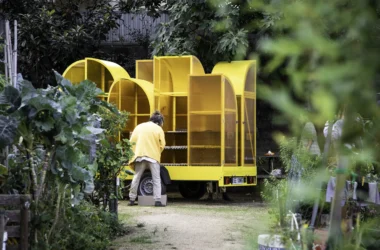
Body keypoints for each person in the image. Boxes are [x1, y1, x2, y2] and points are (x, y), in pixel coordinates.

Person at [128, 111, 166, 207]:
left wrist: (134, 154)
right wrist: (157, 152)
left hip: (140, 155)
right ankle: (157, 200)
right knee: (156, 178)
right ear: (159, 122)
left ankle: (132, 199)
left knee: (136, 177)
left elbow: (131, 142)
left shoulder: (139, 127)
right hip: (153, 157)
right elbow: (162, 144)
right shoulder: (158, 129)